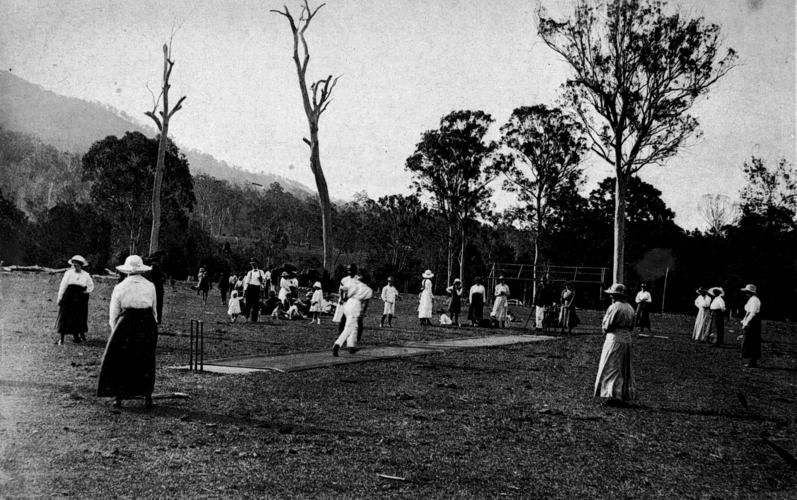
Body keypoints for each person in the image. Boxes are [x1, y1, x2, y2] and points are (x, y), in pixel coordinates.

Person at [97, 255, 158, 409]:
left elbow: (114, 312)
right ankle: (147, 395)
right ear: (141, 270)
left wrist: (114, 329)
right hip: (146, 324)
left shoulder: (120, 286)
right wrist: (153, 326)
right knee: (145, 359)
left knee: (121, 359)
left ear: (127, 271)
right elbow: (154, 309)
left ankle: (119, 396)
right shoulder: (150, 286)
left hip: (126, 324)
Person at [594, 283, 637, 407]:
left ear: (617, 296)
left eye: (612, 295)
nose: (611, 297)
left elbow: (607, 325)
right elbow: (632, 326)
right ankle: (622, 393)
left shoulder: (614, 307)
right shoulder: (630, 308)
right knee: (623, 367)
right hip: (627, 339)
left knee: (611, 366)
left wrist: (604, 327)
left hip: (615, 338)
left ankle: (612, 394)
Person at [56, 255, 95, 345]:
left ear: (81, 265)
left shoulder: (85, 275)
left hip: (80, 297)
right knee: (65, 316)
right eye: (73, 265)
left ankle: (77, 336)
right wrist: (60, 297)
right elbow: (63, 285)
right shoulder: (68, 273)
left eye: (76, 265)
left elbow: (91, 285)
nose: (74, 267)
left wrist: (86, 291)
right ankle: (61, 339)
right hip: (69, 296)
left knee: (79, 316)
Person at [332, 275, 373, 356]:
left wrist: (343, 299)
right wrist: (362, 312)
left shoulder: (355, 284)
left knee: (354, 326)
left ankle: (351, 346)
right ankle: (337, 344)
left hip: (348, 304)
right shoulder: (368, 290)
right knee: (349, 327)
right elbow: (365, 303)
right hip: (356, 305)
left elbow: (343, 289)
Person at [740, 284, 762, 368]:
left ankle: (753, 361)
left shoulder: (755, 300)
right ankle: (752, 360)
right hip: (751, 320)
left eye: (747, 292)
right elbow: (748, 312)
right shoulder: (751, 299)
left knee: (753, 340)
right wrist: (744, 320)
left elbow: (752, 313)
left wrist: (747, 322)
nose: (746, 293)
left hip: (753, 321)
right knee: (749, 340)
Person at [146, 252, 166, 325]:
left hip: (158, 288)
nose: (163, 259)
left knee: (158, 304)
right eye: (162, 257)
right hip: (156, 288)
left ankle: (157, 319)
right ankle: (156, 319)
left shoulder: (157, 266)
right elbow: (154, 278)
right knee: (157, 305)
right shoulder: (154, 266)